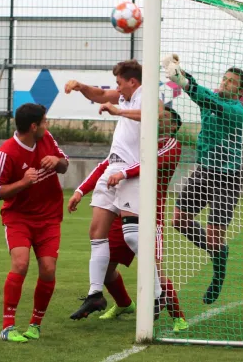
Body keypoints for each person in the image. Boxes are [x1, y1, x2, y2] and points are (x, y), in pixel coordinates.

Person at [68, 106, 189, 332]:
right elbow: (105, 165)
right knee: (104, 267)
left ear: (173, 126)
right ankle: (124, 305)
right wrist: (80, 191)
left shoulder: (171, 145)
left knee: (153, 268)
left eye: (164, 118)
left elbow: (146, 164)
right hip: (120, 210)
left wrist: (122, 173)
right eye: (157, 116)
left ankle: (178, 317)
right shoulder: (135, 143)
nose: (158, 120)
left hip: (149, 215)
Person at [64, 60, 167, 319]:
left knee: (133, 237)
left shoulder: (148, 95)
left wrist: (119, 111)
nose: (117, 89)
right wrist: (79, 86)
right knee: (96, 232)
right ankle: (95, 294)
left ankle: (157, 295)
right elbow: (98, 95)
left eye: (120, 83)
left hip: (132, 172)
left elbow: (155, 114)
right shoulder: (124, 96)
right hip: (112, 169)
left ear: (133, 81)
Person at [162, 54, 243, 304]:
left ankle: (218, 268)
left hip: (228, 176)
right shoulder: (211, 98)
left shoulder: (235, 111)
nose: (225, 82)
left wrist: (182, 81)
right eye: (225, 78)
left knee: (213, 236)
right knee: (179, 220)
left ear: (240, 91)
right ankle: (218, 251)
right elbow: (198, 92)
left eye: (232, 82)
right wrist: (178, 69)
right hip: (204, 171)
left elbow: (206, 99)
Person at [0, 103, 69, 343]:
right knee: (20, 264)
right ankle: (8, 326)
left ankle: (35, 324)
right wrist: (23, 183)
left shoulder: (47, 139)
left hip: (49, 216)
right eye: (45, 121)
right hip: (18, 217)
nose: (48, 125)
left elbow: (65, 164)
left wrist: (57, 160)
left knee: (48, 269)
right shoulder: (6, 153)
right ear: (34, 127)